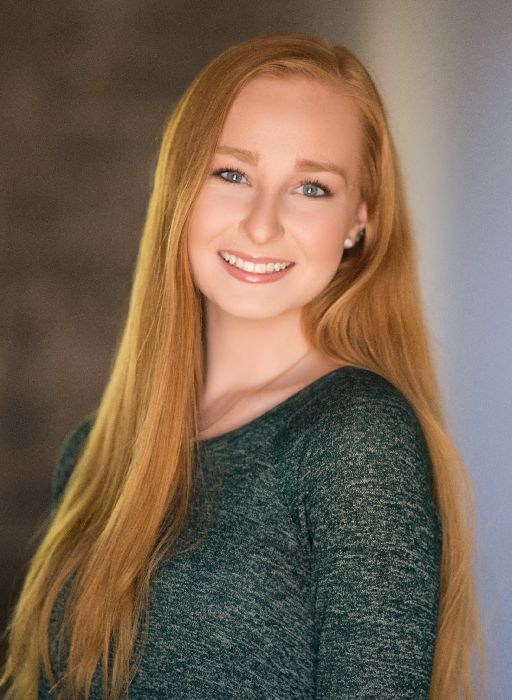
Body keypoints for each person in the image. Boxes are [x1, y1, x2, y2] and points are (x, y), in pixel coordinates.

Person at [1, 32, 485, 700]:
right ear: (181, 187)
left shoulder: (356, 437)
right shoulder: (94, 455)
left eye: (311, 187)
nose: (262, 225)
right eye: (231, 174)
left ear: (359, 221)